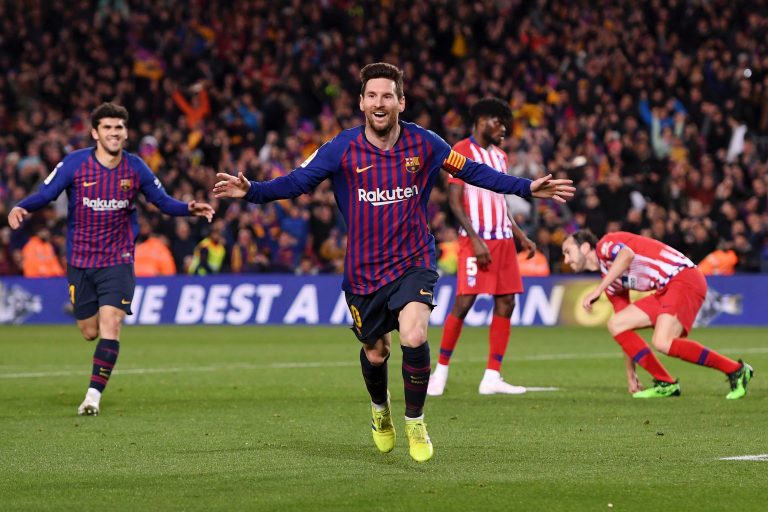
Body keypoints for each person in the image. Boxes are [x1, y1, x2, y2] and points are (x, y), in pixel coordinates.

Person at [213, 63, 574, 462]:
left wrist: (526, 187)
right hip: (363, 272)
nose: (379, 103)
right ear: (361, 102)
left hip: (413, 261)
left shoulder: (426, 144)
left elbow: (472, 171)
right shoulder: (340, 148)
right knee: (376, 352)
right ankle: (380, 409)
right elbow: (297, 181)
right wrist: (253, 191)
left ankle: (415, 421)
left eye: (387, 95)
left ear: (401, 101)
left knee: (414, 336)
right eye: (372, 96)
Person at [7, 102, 214, 416]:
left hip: (118, 259)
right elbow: (47, 193)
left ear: (126, 132)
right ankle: (86, 318)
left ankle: (92, 397)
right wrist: (22, 206)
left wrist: (188, 208)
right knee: (89, 331)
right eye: (107, 127)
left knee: (111, 323)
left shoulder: (136, 167)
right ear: (95, 133)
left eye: (119, 127)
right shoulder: (75, 164)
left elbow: (161, 201)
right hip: (80, 261)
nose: (114, 133)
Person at [427, 98, 536, 397]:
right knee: (464, 303)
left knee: (507, 302)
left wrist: (519, 235)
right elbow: (455, 200)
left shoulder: (500, 156)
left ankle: (492, 377)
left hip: (503, 239)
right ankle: (440, 372)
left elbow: (500, 201)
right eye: (498, 123)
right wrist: (474, 239)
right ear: (482, 121)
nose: (504, 129)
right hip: (476, 239)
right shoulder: (461, 150)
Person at [561, 229, 753, 399]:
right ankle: (665, 383)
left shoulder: (605, 244)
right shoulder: (611, 283)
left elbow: (626, 255)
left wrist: (598, 290)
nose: (566, 260)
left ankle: (736, 370)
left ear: (585, 247)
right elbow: (625, 332)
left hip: (683, 277)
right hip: (666, 290)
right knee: (617, 323)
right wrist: (631, 375)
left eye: (568, 252)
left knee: (662, 341)